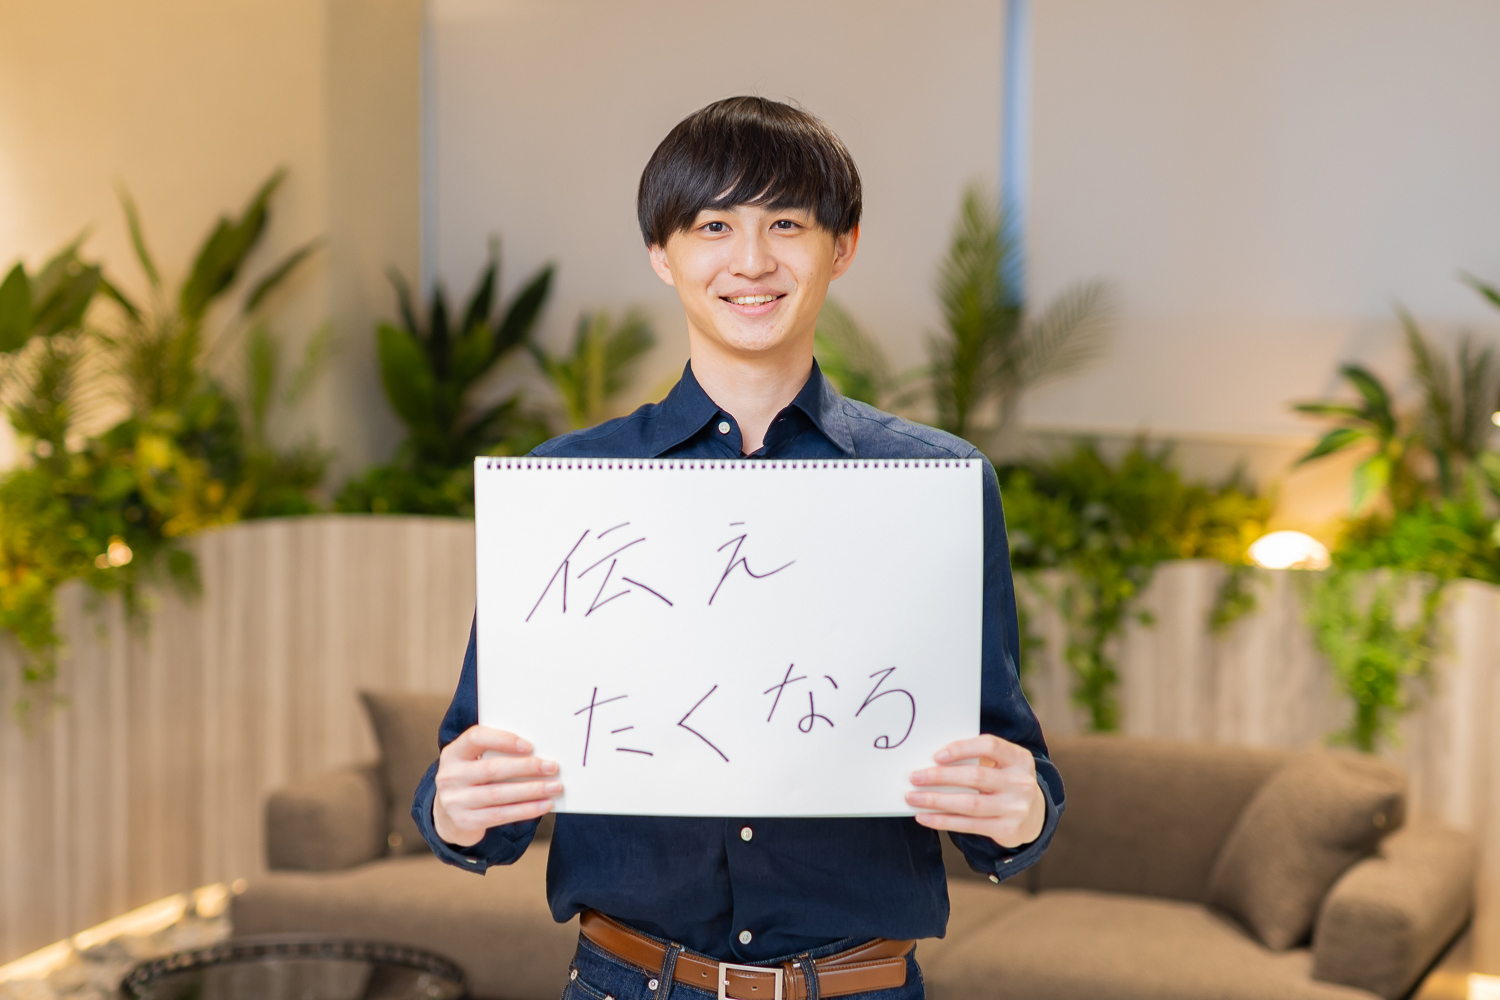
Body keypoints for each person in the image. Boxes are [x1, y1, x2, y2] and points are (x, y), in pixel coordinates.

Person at [413, 96, 1064, 1000]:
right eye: (714, 225)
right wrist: (457, 807)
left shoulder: (936, 486)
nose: (752, 260)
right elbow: (480, 788)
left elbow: (1004, 765)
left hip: (861, 986)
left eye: (786, 224)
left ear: (842, 246)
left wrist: (1020, 809)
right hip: (626, 984)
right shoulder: (567, 489)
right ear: (662, 252)